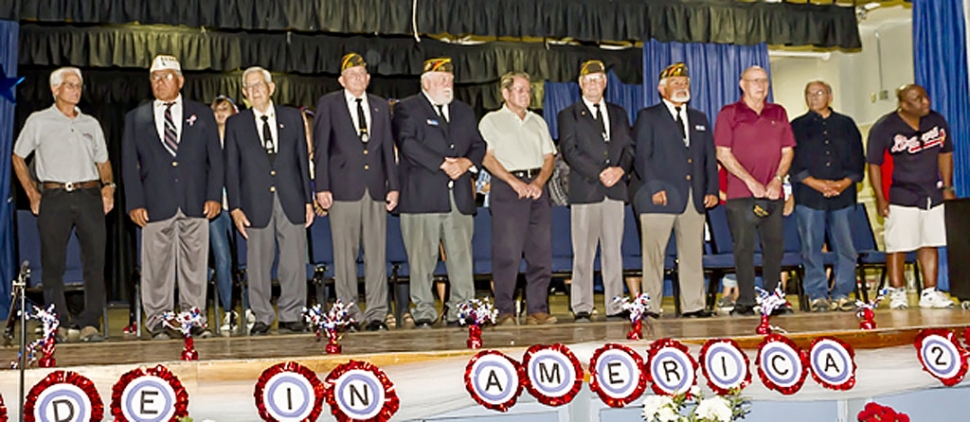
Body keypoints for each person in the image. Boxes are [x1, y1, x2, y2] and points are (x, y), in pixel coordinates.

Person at [122, 55, 223, 339]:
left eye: (165, 77)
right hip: (154, 203)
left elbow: (215, 159)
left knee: (195, 264)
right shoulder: (136, 118)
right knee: (155, 266)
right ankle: (157, 321)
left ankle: (194, 318)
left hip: (195, 201)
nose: (159, 82)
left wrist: (214, 195)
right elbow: (129, 164)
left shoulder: (202, 113)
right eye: (154, 78)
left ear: (180, 80)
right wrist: (134, 203)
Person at [12, 67, 113, 342]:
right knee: (52, 263)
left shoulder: (90, 123)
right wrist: (32, 193)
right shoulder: (39, 120)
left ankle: (90, 323)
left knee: (95, 261)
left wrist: (109, 187)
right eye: (69, 85)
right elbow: (18, 157)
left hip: (89, 195)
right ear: (55, 89)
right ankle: (58, 324)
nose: (76, 89)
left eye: (78, 85)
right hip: (54, 196)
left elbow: (103, 162)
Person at [392, 57, 486, 329]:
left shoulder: (464, 111)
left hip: (458, 197)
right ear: (426, 82)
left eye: (450, 78)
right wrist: (444, 164)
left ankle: (462, 309)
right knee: (422, 259)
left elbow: (478, 145)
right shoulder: (407, 108)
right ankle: (423, 309)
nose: (448, 83)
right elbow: (407, 143)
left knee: (461, 257)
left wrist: (466, 163)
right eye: (441, 79)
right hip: (422, 197)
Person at [225, 67, 314, 335]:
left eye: (259, 86)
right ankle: (262, 315)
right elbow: (231, 168)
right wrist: (236, 208)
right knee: (258, 263)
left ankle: (292, 313)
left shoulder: (292, 118)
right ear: (244, 94)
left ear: (271, 88)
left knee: (294, 261)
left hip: (291, 198)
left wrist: (308, 201)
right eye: (249, 88)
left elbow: (301, 161)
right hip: (254, 202)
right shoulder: (236, 124)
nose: (255, 91)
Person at [314, 53, 399, 332]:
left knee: (377, 253)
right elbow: (322, 149)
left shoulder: (379, 106)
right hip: (341, 190)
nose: (358, 79)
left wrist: (394, 186)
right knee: (345, 255)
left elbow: (388, 148)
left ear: (369, 79)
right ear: (342, 80)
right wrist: (322, 187)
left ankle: (376, 313)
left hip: (374, 189)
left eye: (362, 74)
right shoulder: (329, 104)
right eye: (352, 75)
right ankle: (348, 312)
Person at [632, 62, 718, 318]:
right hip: (659, 198)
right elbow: (642, 157)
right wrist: (654, 187)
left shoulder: (700, 118)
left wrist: (711, 189)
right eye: (676, 83)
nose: (682, 87)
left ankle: (694, 305)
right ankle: (651, 307)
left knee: (692, 255)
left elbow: (709, 159)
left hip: (694, 198)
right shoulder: (648, 116)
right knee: (654, 257)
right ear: (662, 89)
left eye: (685, 83)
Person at [713, 65, 795, 316]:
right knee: (744, 248)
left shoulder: (778, 112)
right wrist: (750, 181)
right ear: (742, 84)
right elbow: (723, 154)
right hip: (741, 194)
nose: (761, 85)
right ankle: (746, 301)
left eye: (764, 81)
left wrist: (777, 180)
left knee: (774, 247)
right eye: (755, 81)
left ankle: (774, 299)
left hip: (773, 194)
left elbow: (787, 150)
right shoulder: (729, 113)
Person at [867, 84, 955, 310]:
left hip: (931, 192)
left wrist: (946, 186)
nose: (925, 101)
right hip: (901, 193)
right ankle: (898, 292)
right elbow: (874, 165)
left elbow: (945, 154)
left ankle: (930, 291)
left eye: (925, 96)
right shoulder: (885, 127)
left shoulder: (936, 121)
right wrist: (880, 197)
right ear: (904, 105)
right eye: (918, 99)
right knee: (898, 245)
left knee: (929, 241)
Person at [559, 60, 635, 321]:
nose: (593, 84)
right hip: (586, 190)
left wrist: (620, 170)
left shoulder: (619, 113)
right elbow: (570, 151)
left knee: (614, 251)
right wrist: (599, 172)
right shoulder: (568, 114)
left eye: (598, 79)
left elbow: (629, 148)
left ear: (605, 83)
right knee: (583, 252)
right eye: (588, 80)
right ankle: (581, 305)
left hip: (615, 191)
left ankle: (615, 305)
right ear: (581, 84)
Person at [479, 71, 557, 326]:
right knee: (508, 252)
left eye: (528, 90)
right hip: (507, 187)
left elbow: (549, 158)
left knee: (540, 252)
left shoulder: (538, 121)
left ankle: (537, 308)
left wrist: (538, 183)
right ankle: (505, 310)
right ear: (505, 93)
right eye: (520, 90)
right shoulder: (491, 121)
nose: (525, 95)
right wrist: (514, 182)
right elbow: (487, 157)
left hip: (537, 188)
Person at [790, 81, 865, 313]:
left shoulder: (846, 124)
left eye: (819, 93)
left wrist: (842, 184)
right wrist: (816, 184)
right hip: (809, 195)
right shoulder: (796, 126)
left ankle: (842, 292)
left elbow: (857, 159)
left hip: (843, 195)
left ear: (830, 96)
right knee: (811, 246)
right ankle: (817, 294)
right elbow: (791, 162)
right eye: (809, 94)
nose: (814, 98)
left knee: (846, 247)